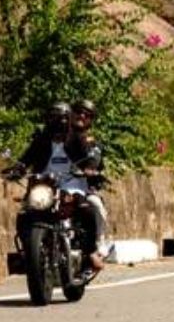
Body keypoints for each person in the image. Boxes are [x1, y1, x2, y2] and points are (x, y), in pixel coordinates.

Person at [9, 100, 110, 275]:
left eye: (62, 119)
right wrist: (17, 168)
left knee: (89, 209)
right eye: (54, 119)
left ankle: (91, 252)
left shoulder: (78, 138)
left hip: (72, 185)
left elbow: (92, 154)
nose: (58, 123)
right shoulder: (42, 139)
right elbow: (27, 158)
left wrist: (91, 168)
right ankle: (28, 254)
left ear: (68, 120)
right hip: (44, 186)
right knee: (24, 215)